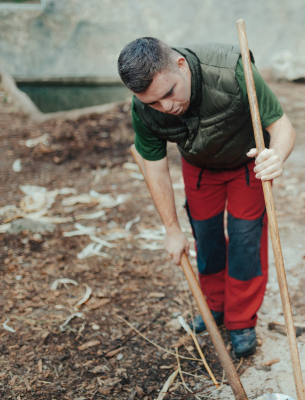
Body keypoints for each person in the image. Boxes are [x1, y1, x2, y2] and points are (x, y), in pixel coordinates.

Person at [117, 37, 295, 357]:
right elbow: (155, 169)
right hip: (199, 168)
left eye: (169, 93)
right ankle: (215, 306)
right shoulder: (144, 108)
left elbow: (281, 126)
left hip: (247, 164)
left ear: (181, 66)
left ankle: (241, 320)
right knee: (206, 236)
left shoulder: (234, 70)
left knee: (245, 239)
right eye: (153, 102)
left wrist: (276, 156)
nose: (166, 107)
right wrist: (172, 230)